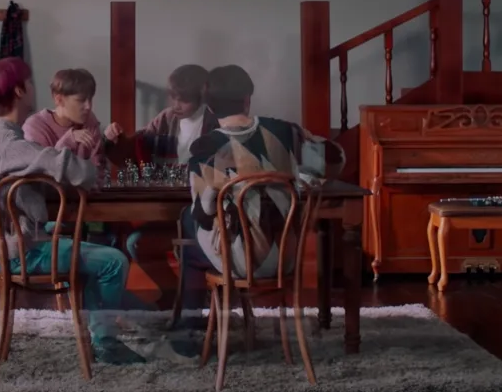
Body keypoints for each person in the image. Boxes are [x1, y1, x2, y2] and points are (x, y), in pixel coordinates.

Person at [0, 57, 145, 365]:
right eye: (30, 83)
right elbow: (77, 170)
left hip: (1, 243)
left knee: (93, 251)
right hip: (14, 249)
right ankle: (107, 343)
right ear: (20, 90)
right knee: (114, 261)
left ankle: (119, 320)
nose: (35, 88)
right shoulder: (10, 143)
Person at [185, 64, 321, 281]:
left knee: (188, 222)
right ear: (247, 98)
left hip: (241, 263)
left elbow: (204, 214)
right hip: (288, 258)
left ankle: (203, 304)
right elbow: (333, 161)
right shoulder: (287, 131)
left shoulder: (204, 147)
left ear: (209, 108)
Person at [122, 64, 219, 263]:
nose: (176, 105)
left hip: (204, 212)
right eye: (173, 97)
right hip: (168, 206)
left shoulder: (214, 123)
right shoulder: (166, 118)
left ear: (201, 96)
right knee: (134, 242)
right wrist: (114, 139)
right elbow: (137, 143)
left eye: (184, 100)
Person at [21, 67, 121, 172]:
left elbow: (98, 171)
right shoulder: (35, 127)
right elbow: (44, 174)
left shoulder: (89, 120)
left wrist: (108, 141)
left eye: (90, 99)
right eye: (81, 100)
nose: (88, 106)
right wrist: (68, 141)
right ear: (59, 100)